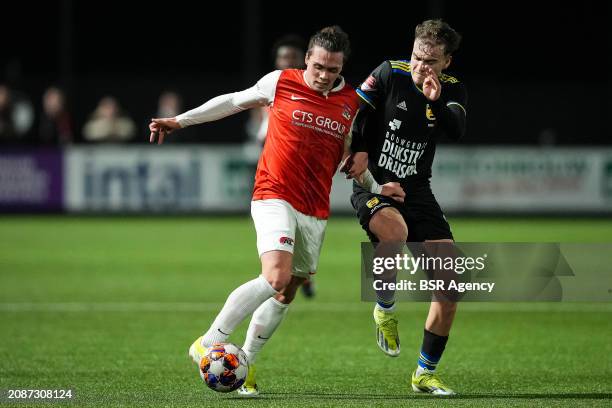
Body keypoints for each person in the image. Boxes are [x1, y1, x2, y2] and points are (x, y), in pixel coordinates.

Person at [148, 26, 404, 396]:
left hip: (314, 209)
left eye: (332, 70)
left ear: (341, 67)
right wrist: (180, 121)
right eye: (318, 66)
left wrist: (379, 189)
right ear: (307, 60)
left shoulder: (351, 103)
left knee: (287, 291)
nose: (323, 75)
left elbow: (354, 162)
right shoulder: (281, 82)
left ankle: (245, 363)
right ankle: (209, 340)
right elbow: (233, 101)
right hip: (274, 194)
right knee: (275, 277)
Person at [345, 19, 466, 395]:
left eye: (431, 61)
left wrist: (434, 103)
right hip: (376, 185)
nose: (421, 66)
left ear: (446, 62)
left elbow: (457, 129)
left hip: (418, 190)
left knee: (450, 287)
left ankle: (424, 374)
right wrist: (359, 149)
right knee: (393, 232)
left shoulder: (451, 90)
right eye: (417, 57)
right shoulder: (388, 72)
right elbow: (356, 111)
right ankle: (384, 307)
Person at [246, 34, 317, 299]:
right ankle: (283, 274)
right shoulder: (270, 88)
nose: (287, 62)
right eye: (283, 57)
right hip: (276, 175)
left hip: (309, 178)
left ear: (304, 60)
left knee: (301, 237)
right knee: (279, 237)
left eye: (292, 57)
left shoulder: (316, 91)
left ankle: (298, 275)